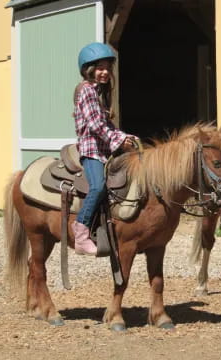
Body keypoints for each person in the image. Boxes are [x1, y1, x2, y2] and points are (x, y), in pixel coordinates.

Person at [71, 42, 137, 255]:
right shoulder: (87, 91)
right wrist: (118, 141)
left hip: (104, 149)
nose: (105, 72)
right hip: (91, 151)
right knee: (98, 186)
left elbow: (107, 125)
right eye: (100, 68)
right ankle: (81, 232)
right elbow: (96, 125)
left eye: (108, 68)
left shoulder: (100, 92)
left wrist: (125, 136)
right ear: (88, 70)